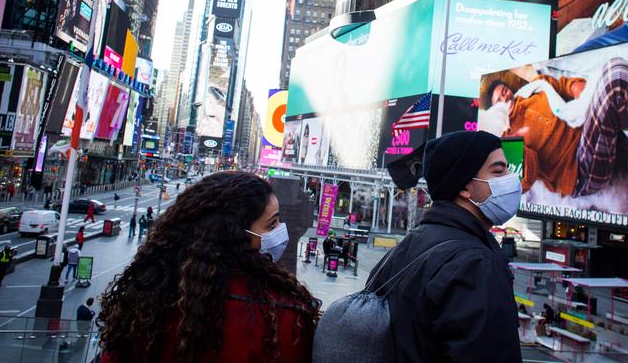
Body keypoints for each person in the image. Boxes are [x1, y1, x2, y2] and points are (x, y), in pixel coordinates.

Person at [98, 171, 319, 362]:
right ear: (234, 234)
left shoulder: (146, 300)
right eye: (272, 223)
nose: (281, 230)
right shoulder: (285, 315)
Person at [368, 131, 522, 362]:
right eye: (498, 171)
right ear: (465, 187)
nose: (511, 179)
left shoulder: (410, 244)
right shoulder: (475, 264)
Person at [482, 57, 628, 198]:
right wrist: (515, 149)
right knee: (615, 74)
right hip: (580, 171)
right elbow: (524, 181)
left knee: (615, 70)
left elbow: (562, 85)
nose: (505, 98)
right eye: (499, 101)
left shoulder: (535, 88)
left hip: (590, 129)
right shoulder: (507, 140)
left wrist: (574, 87)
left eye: (504, 91)